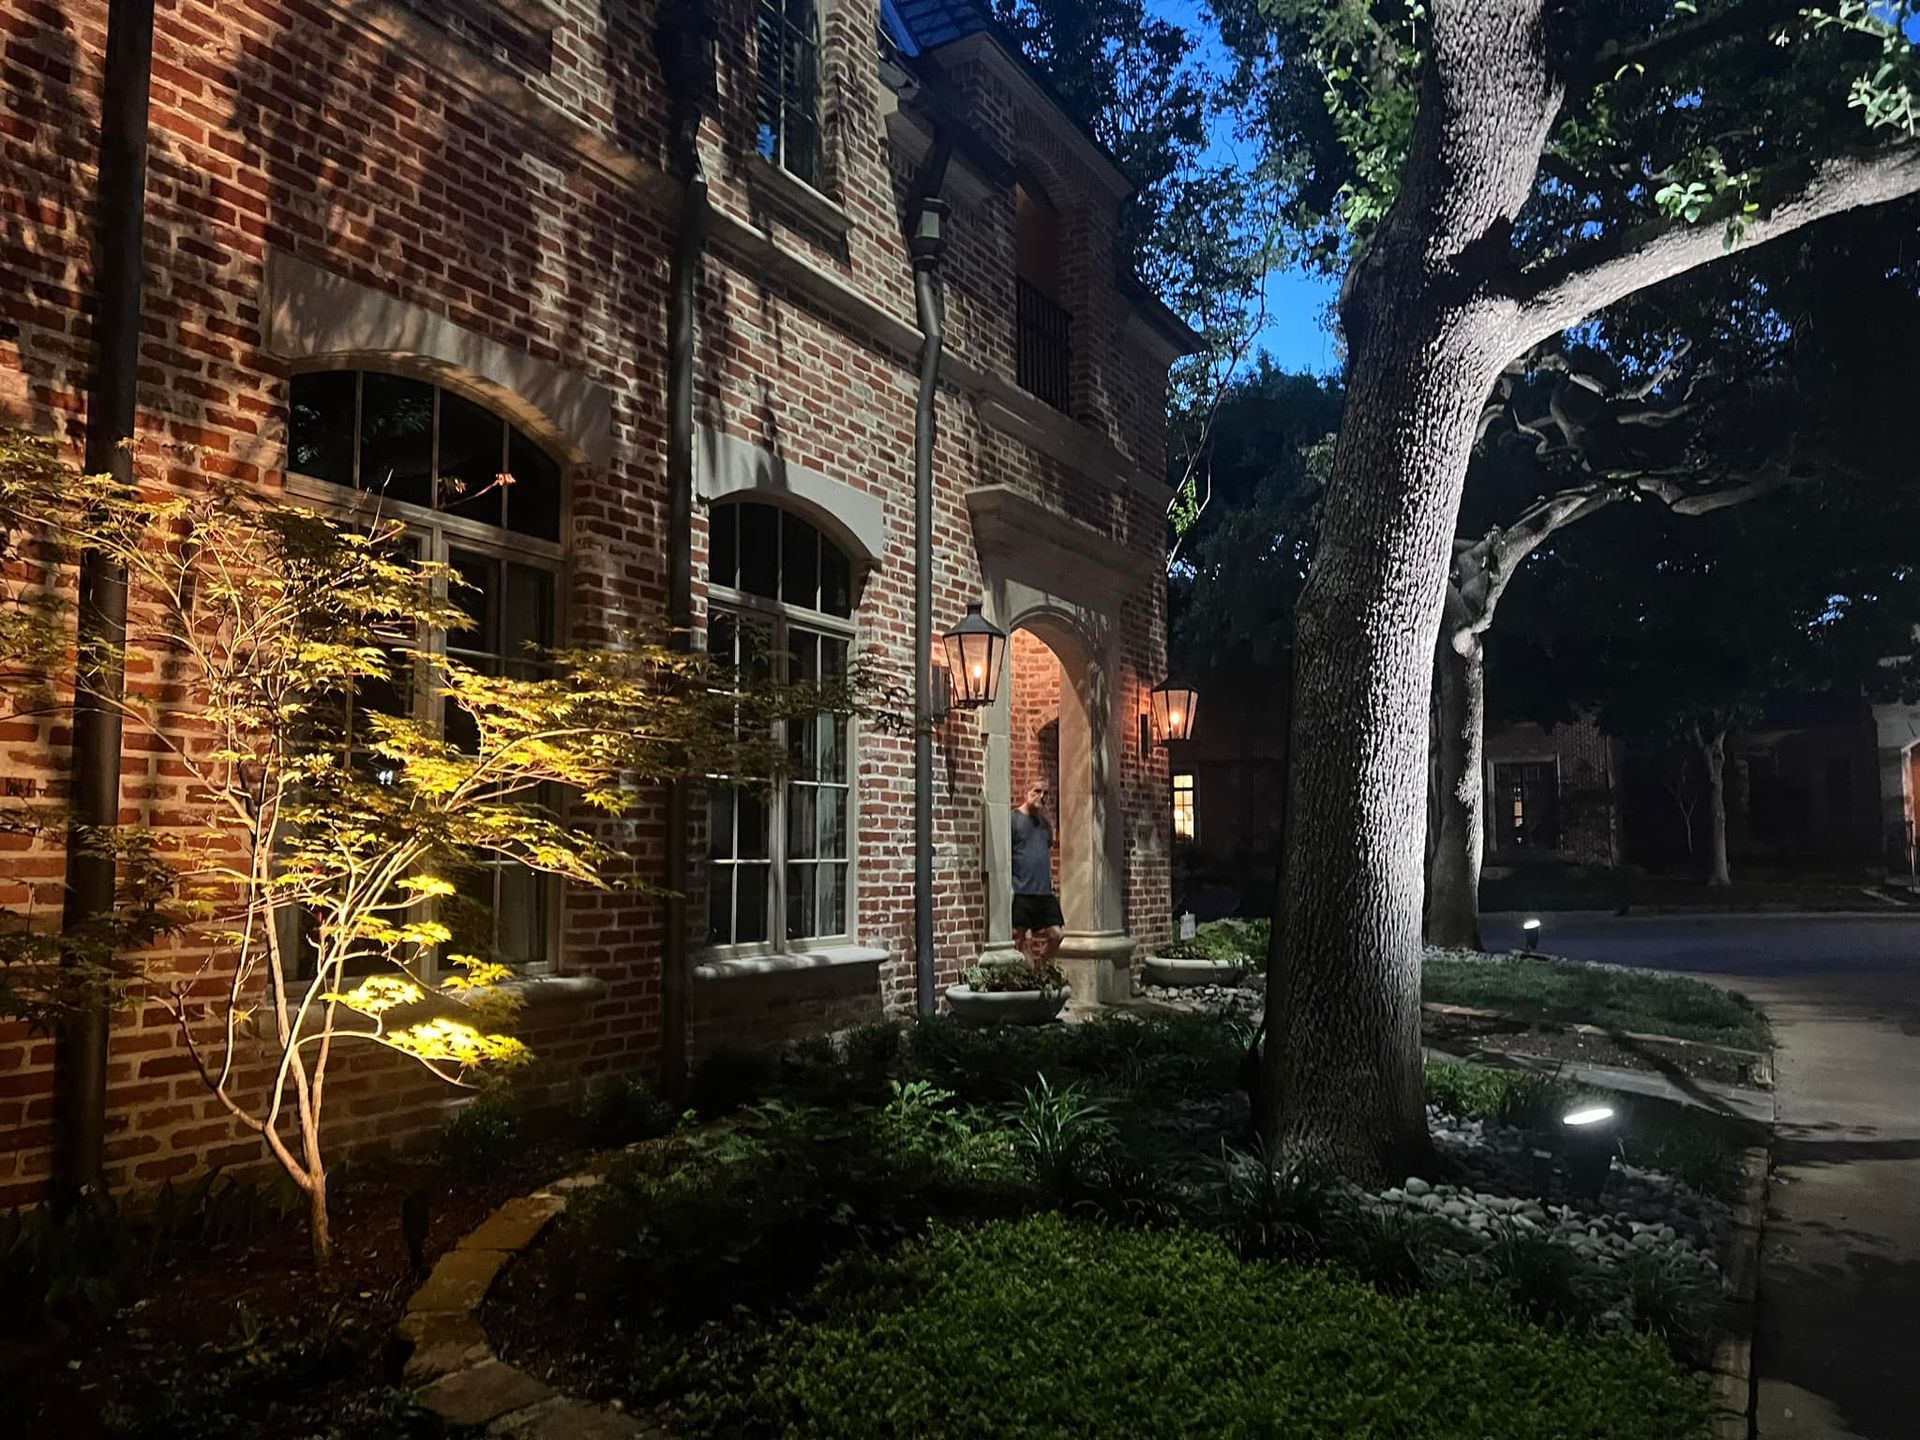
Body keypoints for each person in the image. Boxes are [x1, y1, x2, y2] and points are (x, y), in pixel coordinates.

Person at [1011, 783, 1063, 965]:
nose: (1041, 796)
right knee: (1023, 941)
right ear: (1026, 793)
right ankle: (1031, 982)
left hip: (1043, 891)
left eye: (1045, 793)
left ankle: (1040, 966)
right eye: (1036, 791)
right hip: (1022, 890)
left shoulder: (1044, 824)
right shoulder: (1014, 820)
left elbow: (1045, 850)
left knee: (1057, 935)